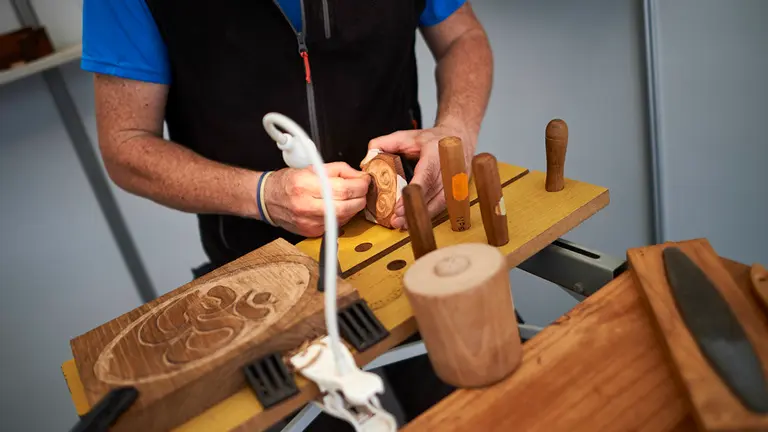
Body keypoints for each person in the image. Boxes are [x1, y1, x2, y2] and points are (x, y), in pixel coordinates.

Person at [81, 0, 493, 427]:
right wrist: (260, 194)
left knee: (491, 407)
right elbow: (125, 144)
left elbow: (463, 38)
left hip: (414, 236)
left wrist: (454, 133)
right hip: (261, 280)